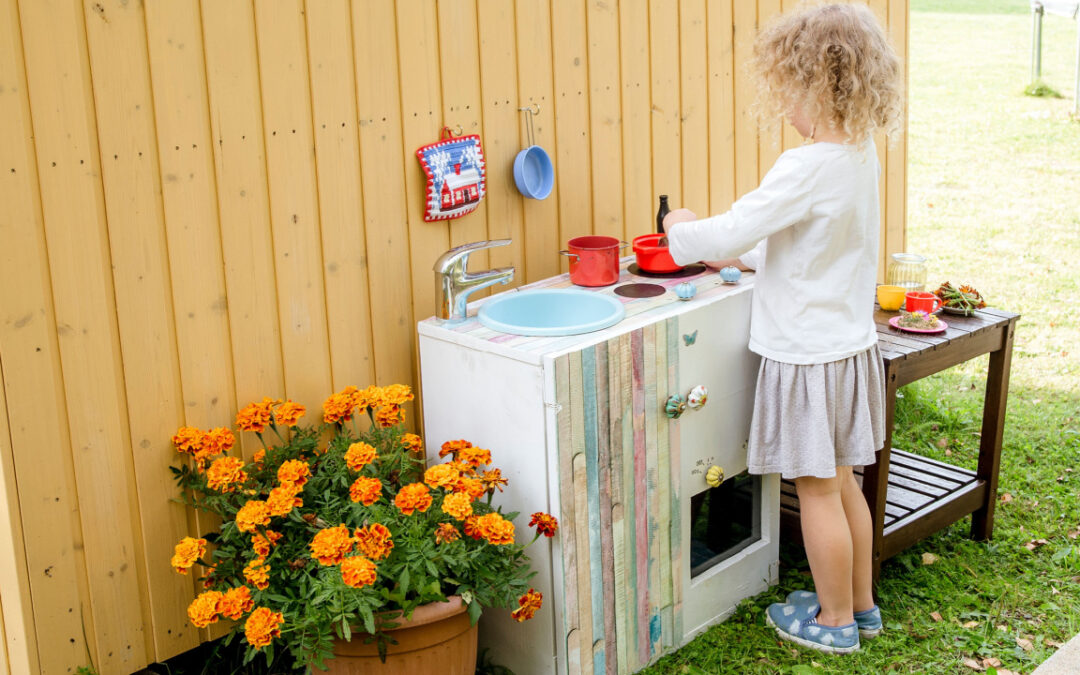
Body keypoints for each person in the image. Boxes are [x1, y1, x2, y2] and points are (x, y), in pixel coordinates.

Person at [664, 2, 904, 655]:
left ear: (819, 83)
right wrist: (749, 256)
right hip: (848, 347)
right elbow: (816, 246)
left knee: (817, 490)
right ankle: (860, 605)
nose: (784, 104)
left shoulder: (806, 165)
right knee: (845, 479)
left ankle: (831, 622)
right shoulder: (859, 154)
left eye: (789, 88)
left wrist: (678, 228)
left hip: (806, 356)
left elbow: (732, 228)